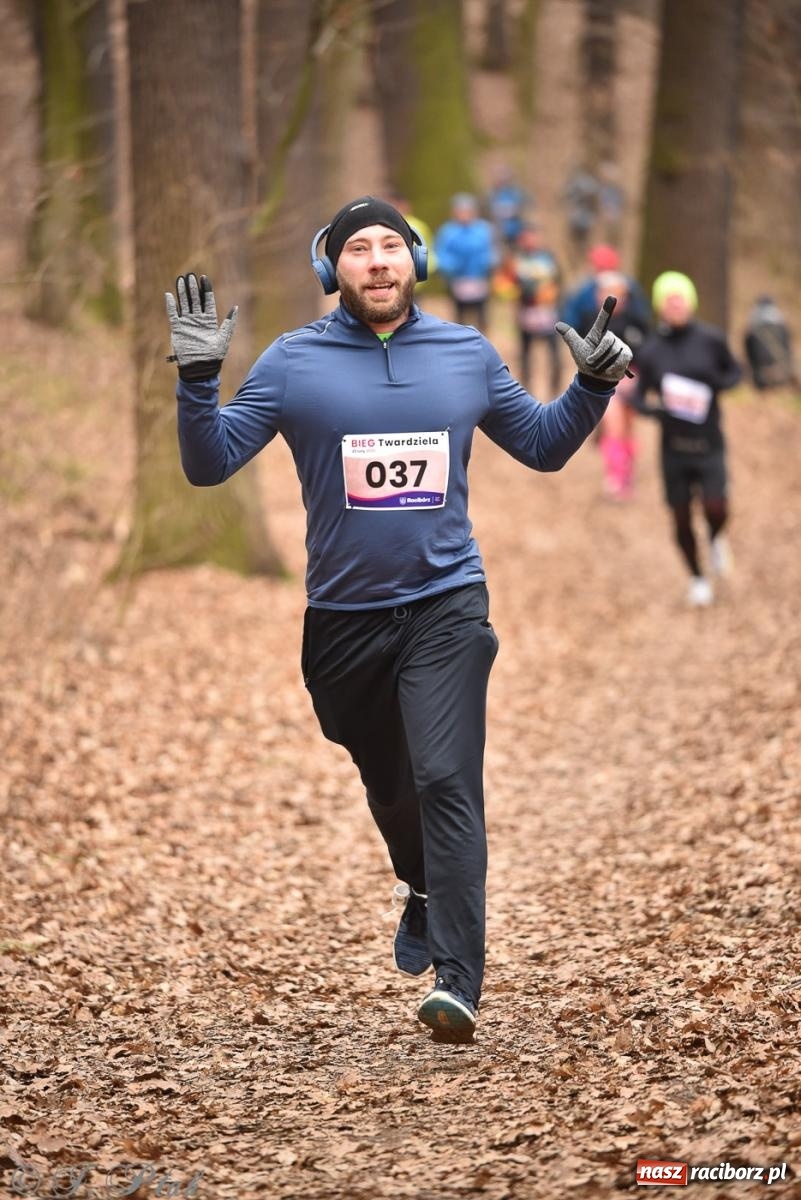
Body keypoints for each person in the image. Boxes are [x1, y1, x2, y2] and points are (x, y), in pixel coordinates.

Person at [165, 195, 633, 1042]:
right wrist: (198, 381)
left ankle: (458, 979)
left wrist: (592, 386)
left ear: (414, 261)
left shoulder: (463, 351)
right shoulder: (291, 361)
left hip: (446, 605)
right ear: (331, 270)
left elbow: (542, 444)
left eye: (389, 246)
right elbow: (209, 464)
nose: (376, 261)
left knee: (446, 779)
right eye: (357, 250)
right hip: (342, 623)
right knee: (390, 784)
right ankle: (418, 885)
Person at [633, 271, 743, 607]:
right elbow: (636, 396)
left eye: (680, 298)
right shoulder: (651, 349)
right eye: (669, 300)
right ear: (660, 307)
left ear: (691, 302)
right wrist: (656, 412)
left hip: (709, 441)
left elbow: (736, 372)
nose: (675, 305)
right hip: (673, 447)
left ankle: (715, 537)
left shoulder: (711, 339)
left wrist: (715, 384)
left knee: (716, 506)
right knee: (680, 516)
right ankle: (697, 578)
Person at [592, 270, 650, 500]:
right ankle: (615, 476)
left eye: (616, 292)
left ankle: (626, 475)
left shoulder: (637, 321)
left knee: (627, 429)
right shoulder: (592, 321)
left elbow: (647, 353)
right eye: (605, 292)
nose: (610, 297)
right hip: (605, 384)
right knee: (613, 427)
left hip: (631, 383)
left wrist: (636, 377)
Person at [508, 222, 563, 395]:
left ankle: (555, 388)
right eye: (526, 238)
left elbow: (559, 281)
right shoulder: (516, 260)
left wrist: (552, 293)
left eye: (533, 237)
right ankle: (525, 389)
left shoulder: (549, 257)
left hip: (547, 311)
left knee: (554, 355)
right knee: (526, 354)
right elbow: (508, 284)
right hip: (526, 310)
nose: (530, 241)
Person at [434, 192, 498, 332]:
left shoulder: (484, 229)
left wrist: (486, 264)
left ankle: (483, 340)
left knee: (482, 315)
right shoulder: (447, 231)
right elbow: (441, 254)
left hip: (479, 279)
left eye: (467, 211)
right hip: (458, 280)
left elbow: (493, 251)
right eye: (460, 211)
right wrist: (451, 266)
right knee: (460, 317)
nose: (463, 214)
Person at [743, 295, 796, 390]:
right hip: (781, 375)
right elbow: (788, 350)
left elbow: (750, 355)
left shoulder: (753, 330)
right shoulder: (782, 328)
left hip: (761, 378)